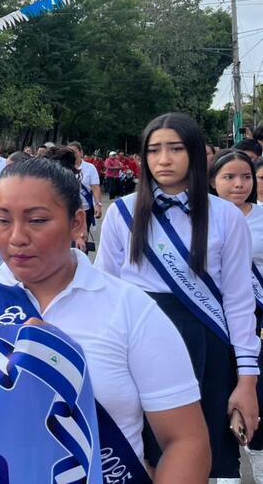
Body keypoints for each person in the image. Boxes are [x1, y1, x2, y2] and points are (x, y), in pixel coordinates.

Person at [0, 157, 210, 482]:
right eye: (3, 220)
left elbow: (186, 441)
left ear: (77, 222)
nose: (17, 237)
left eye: (36, 220)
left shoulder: (130, 308)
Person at [95, 112, 259, 480]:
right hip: (139, 345)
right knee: (141, 452)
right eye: (154, 150)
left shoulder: (225, 217)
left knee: (203, 455)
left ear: (197, 154)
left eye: (175, 149)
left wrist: (247, 380)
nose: (163, 160)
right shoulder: (122, 212)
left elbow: (238, 301)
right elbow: (103, 293)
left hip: (206, 345)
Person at [209, 149, 263, 481]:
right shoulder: (201, 218)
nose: (239, 184)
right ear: (213, 181)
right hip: (214, 318)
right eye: (229, 177)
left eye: (246, 177)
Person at [68, 141, 103, 232]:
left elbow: (95, 187)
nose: (73, 155)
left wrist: (98, 205)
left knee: (82, 235)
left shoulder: (90, 168)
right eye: (70, 152)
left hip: (85, 209)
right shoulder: (64, 167)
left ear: (81, 152)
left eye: (75, 152)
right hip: (68, 209)